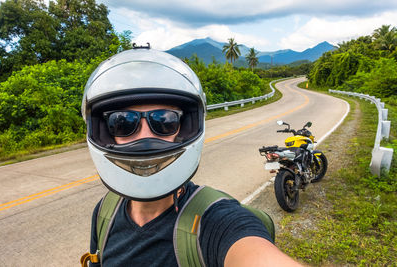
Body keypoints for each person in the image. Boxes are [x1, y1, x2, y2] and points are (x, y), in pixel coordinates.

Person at [81, 46, 301, 266]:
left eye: (164, 121)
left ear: (184, 128)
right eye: (123, 123)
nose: (145, 138)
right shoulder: (104, 213)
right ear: (105, 131)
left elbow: (253, 253)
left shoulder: (217, 221)